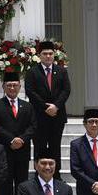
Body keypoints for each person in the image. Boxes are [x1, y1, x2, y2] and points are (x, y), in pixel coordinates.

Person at [25, 41, 71, 170]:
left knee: (55, 146)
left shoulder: (61, 71)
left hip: (58, 115)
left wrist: (55, 106)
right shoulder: (32, 72)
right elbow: (30, 92)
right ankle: (39, 175)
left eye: (50, 53)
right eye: (45, 54)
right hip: (39, 116)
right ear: (39, 55)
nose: (48, 56)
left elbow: (66, 90)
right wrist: (46, 108)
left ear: (54, 55)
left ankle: (56, 175)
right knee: (39, 146)